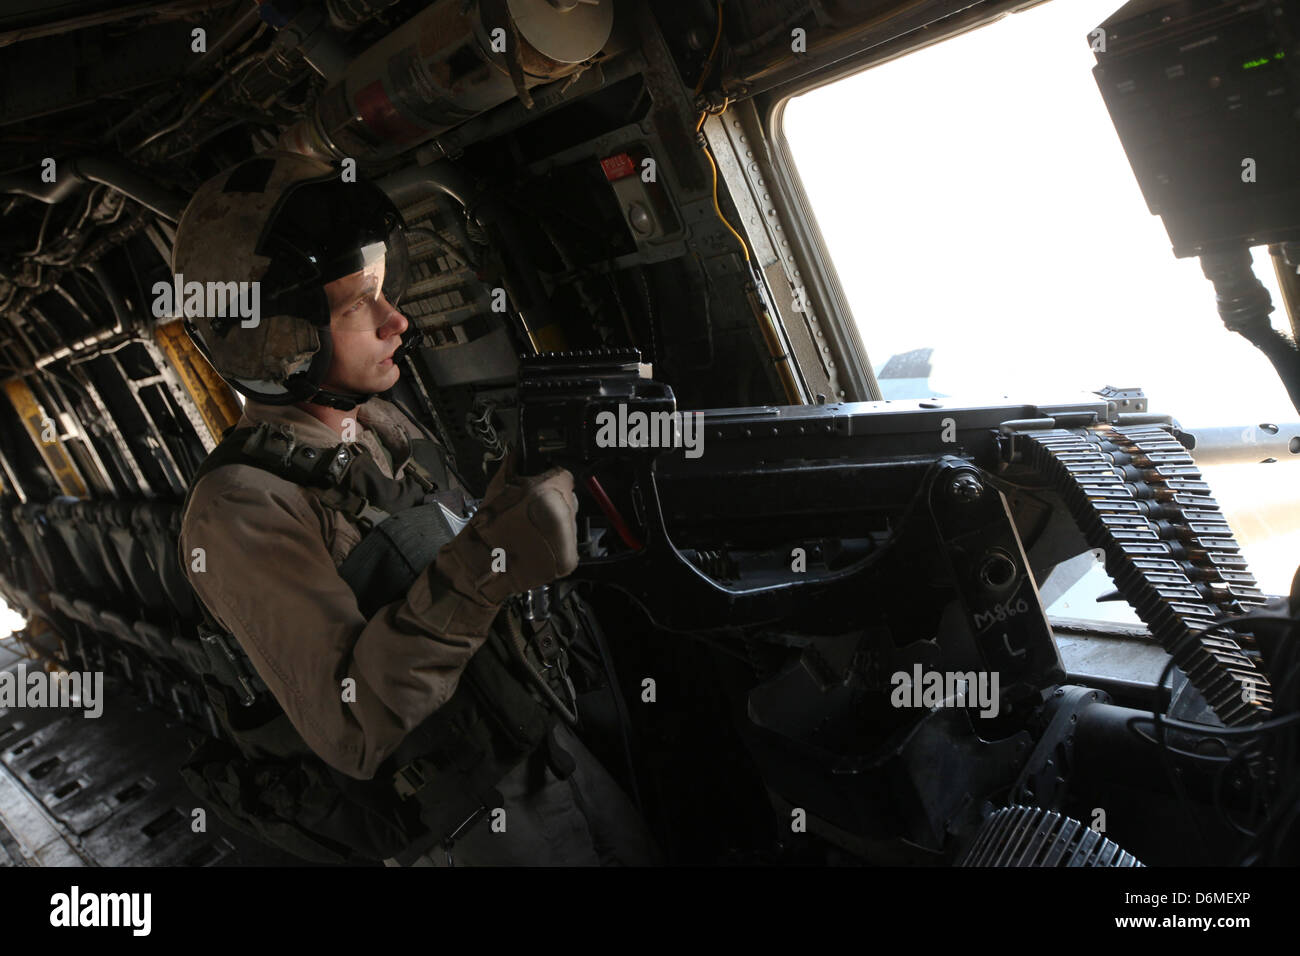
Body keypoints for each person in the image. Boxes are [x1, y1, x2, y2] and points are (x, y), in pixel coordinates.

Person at [171, 150, 657, 866]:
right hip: (469, 824)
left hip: (539, 742)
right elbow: (351, 728)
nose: (396, 320)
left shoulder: (378, 423)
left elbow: (444, 545)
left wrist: (519, 499)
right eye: (354, 307)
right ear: (275, 339)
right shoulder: (238, 510)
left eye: (383, 291)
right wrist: (489, 572)